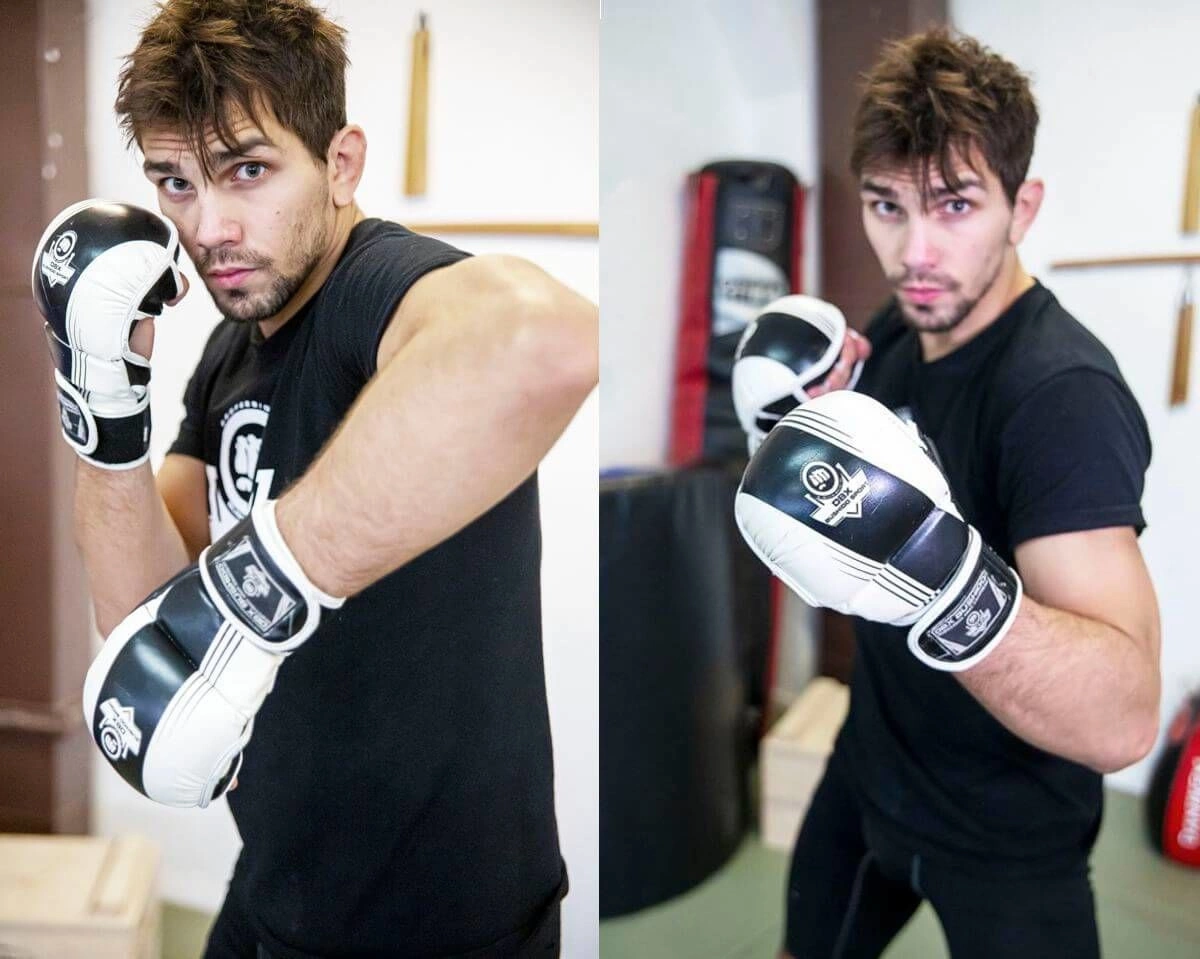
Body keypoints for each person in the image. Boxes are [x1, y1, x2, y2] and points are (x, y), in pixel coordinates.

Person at [33, 1, 596, 956]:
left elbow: (548, 340)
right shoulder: (229, 348)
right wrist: (102, 402)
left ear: (341, 164)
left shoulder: (374, 290)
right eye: (176, 182)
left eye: (247, 170)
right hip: (276, 880)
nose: (208, 227)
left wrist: (257, 590)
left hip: (440, 926)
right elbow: (140, 623)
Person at [735, 28, 1159, 959]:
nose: (914, 252)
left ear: (1022, 207)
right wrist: (789, 433)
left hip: (1008, 835)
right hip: (870, 773)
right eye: (886, 205)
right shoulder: (894, 333)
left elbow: (1125, 716)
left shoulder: (1062, 397)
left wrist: (941, 574)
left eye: (955, 204)